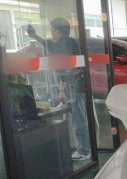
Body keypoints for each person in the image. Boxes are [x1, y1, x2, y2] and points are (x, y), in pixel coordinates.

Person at [27, 18, 91, 162]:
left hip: (74, 87)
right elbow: (51, 46)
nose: (51, 32)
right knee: (76, 117)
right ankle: (84, 148)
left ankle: (84, 151)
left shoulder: (65, 43)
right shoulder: (68, 42)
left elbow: (67, 68)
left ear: (58, 30)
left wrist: (63, 89)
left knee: (78, 119)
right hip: (74, 86)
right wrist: (35, 36)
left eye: (51, 29)